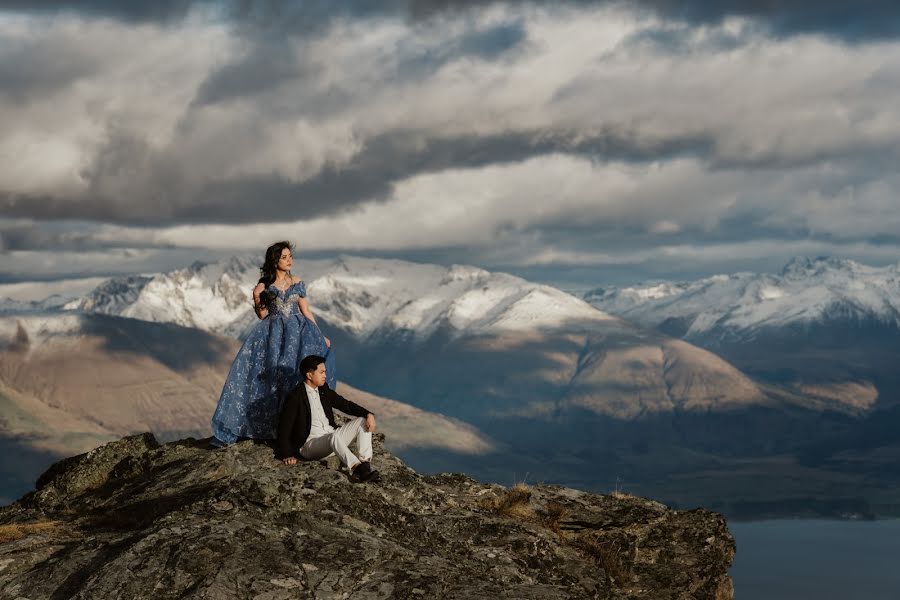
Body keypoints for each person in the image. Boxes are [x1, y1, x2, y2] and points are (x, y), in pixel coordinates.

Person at [210, 241, 336, 446]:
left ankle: (300, 427)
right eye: (284, 257)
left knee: (295, 375)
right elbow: (262, 315)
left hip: (298, 334)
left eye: (290, 256)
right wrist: (256, 294)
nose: (289, 261)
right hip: (274, 336)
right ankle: (275, 429)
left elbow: (306, 311)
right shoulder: (266, 286)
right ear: (275, 260)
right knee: (273, 379)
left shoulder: (297, 281)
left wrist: (320, 335)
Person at [277, 355, 379, 483]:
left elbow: (345, 405)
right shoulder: (295, 397)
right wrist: (287, 454)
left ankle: (365, 464)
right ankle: (358, 469)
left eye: (325, 372)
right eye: (322, 372)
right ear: (309, 375)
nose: (325, 375)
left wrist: (368, 414)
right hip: (311, 446)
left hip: (332, 441)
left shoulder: (323, 390)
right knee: (333, 436)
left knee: (362, 421)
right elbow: (284, 428)